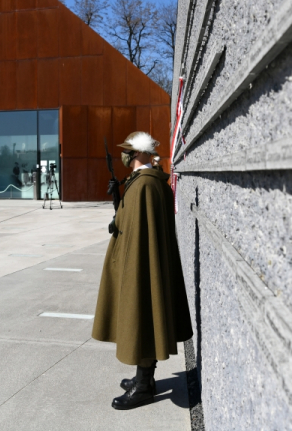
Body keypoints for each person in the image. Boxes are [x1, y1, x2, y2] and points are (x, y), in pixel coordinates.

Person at [92, 131, 193, 410]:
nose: (124, 156)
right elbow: (129, 221)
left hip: (140, 264)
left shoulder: (145, 186)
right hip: (139, 261)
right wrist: (119, 199)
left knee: (141, 316)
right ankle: (143, 378)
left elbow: (138, 235)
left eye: (128, 151)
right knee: (142, 316)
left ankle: (144, 386)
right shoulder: (144, 181)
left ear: (136, 154)